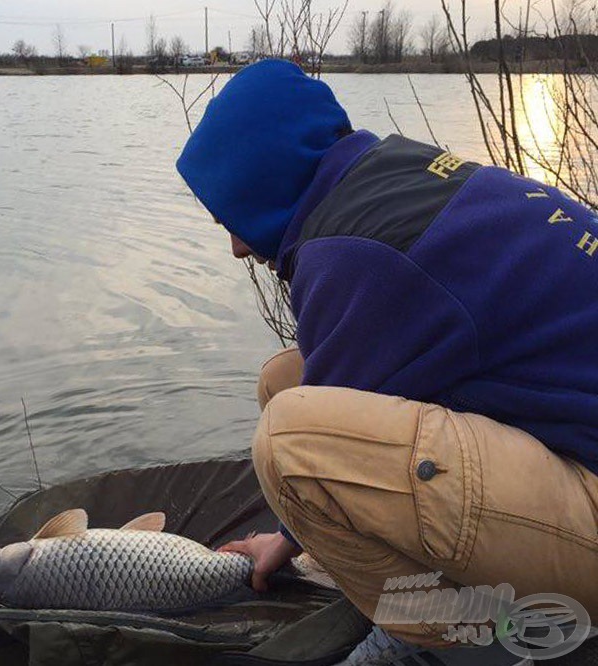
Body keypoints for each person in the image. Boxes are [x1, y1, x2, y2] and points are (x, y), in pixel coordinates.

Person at [176, 59, 598, 664]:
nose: (238, 247)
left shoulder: (350, 256)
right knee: (287, 382)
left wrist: (291, 536)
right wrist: (289, 539)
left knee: (288, 442)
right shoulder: (396, 177)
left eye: (233, 219)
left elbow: (311, 453)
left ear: (262, 182)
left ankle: (437, 634)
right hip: (574, 437)